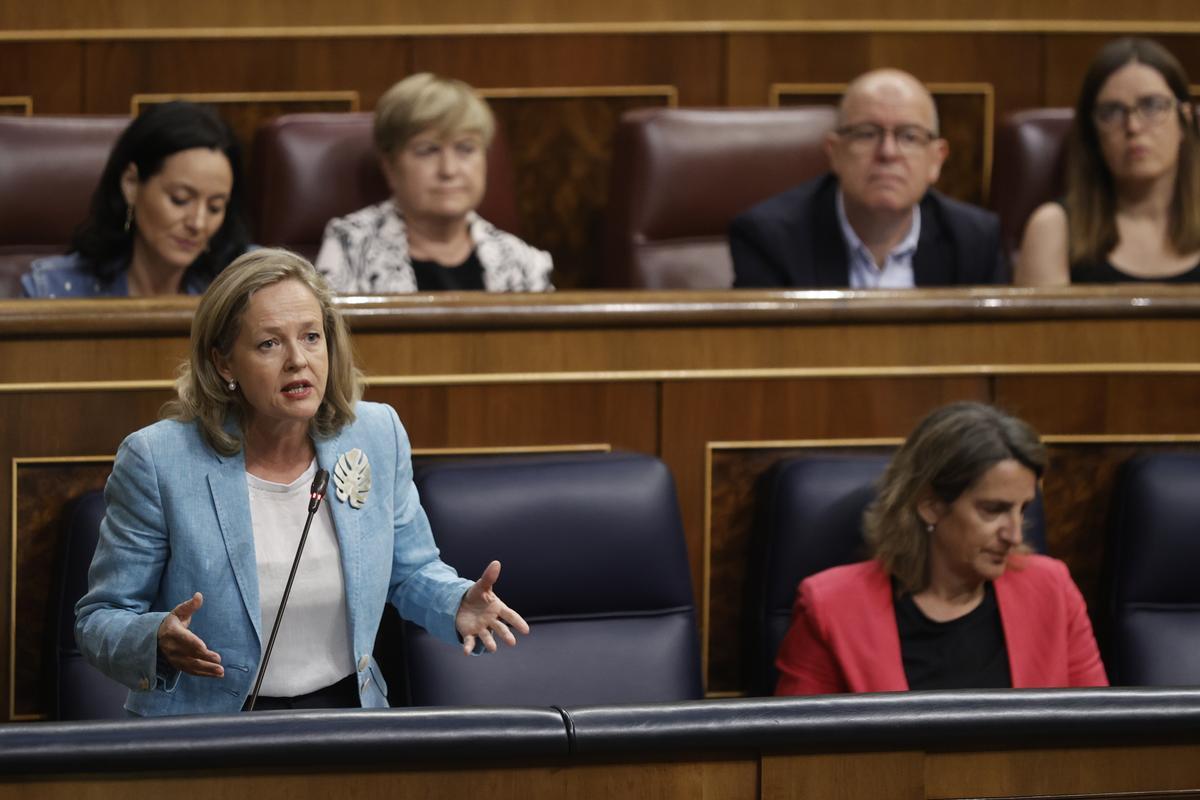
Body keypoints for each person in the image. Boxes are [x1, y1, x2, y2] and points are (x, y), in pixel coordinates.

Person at [75, 248, 528, 716]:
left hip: (346, 716)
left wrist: (455, 602)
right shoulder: (158, 459)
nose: (297, 360)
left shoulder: (376, 434)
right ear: (224, 363)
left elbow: (410, 570)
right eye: (269, 344)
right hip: (207, 731)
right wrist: (155, 639)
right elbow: (99, 619)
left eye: (311, 337)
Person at [774, 402, 1107, 695]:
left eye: (1022, 509)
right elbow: (799, 758)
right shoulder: (831, 607)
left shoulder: (1052, 590)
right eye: (993, 510)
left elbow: (1098, 736)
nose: (1015, 535)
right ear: (930, 504)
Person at [730, 69, 1007, 289]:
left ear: (936, 159)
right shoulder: (772, 240)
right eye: (867, 133)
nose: (888, 152)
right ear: (835, 152)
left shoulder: (974, 240)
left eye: (909, 136)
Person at [315, 73, 552, 293]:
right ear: (390, 165)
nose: (448, 170)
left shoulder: (522, 261)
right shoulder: (352, 247)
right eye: (428, 150)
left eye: (465, 149)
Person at [1016, 38, 1200, 285]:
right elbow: (1042, 327)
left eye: (1152, 106)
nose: (1133, 126)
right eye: (1112, 112)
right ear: (1093, 132)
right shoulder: (1053, 228)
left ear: (1184, 120)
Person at [21, 101, 250, 298]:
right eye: (180, 199)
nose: (198, 223)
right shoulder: (53, 290)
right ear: (131, 184)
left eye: (215, 207)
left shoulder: (247, 284)